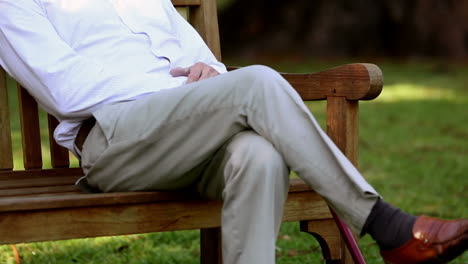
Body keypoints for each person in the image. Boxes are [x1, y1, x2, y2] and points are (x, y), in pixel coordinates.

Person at [0, 0, 466, 263]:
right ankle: (389, 227)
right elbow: (66, 89)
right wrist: (172, 90)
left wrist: (207, 75)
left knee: (258, 153)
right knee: (258, 80)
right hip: (116, 141)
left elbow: (217, 71)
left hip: (189, 139)